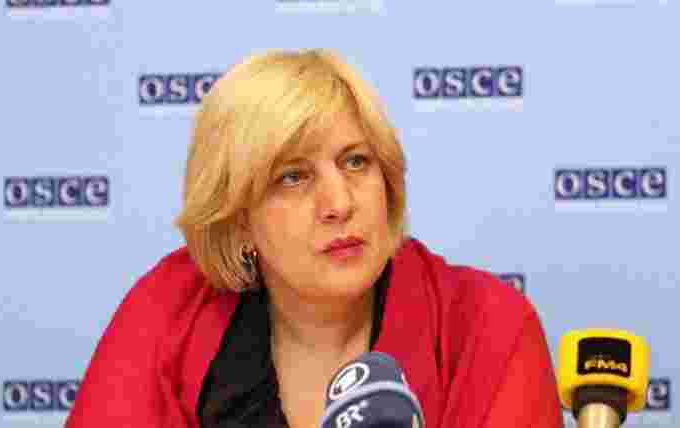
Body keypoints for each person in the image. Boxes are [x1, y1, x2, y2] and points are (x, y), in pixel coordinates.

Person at [66, 49, 562, 428]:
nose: (339, 203)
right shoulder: (169, 310)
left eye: (356, 162)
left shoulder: (486, 325)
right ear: (238, 218)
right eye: (293, 177)